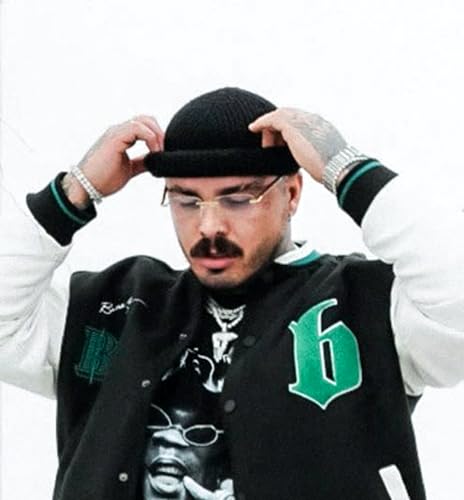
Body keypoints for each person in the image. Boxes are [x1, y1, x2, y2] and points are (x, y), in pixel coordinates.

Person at [0, 87, 463, 500]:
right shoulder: (117, 310)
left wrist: (347, 170)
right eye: (186, 200)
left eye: (238, 199)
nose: (209, 226)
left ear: (292, 194)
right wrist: (73, 193)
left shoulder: (366, 305)